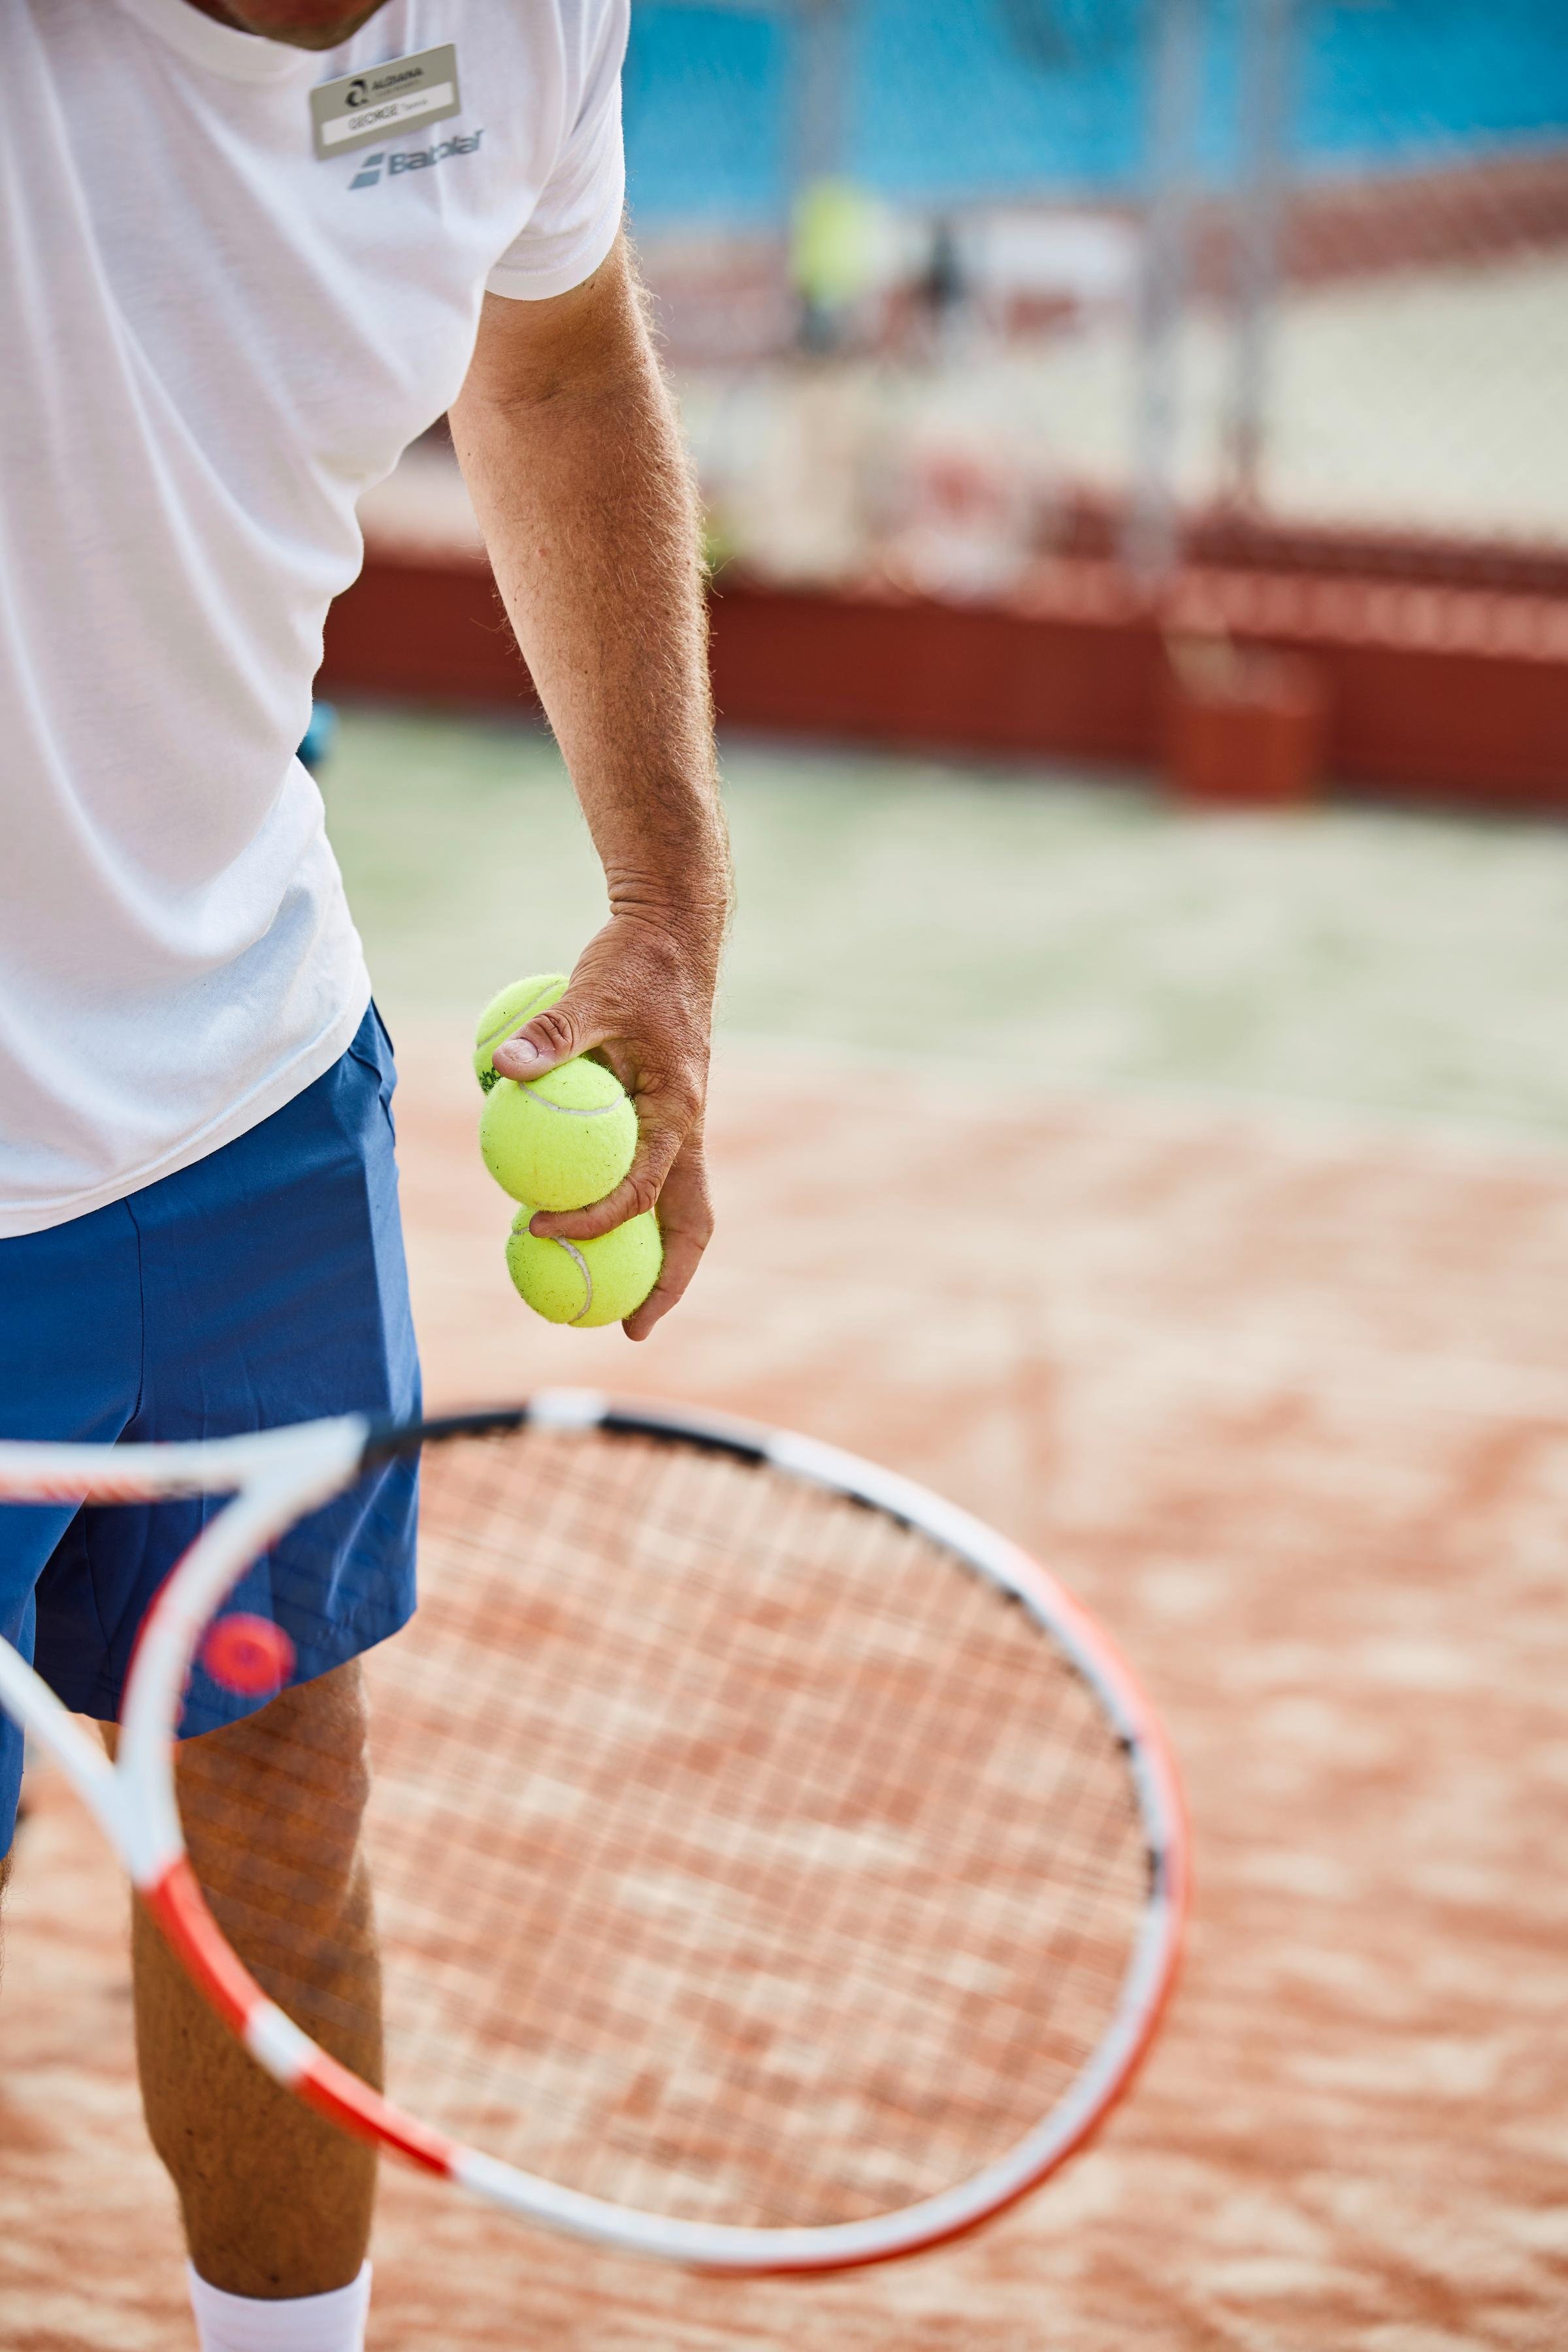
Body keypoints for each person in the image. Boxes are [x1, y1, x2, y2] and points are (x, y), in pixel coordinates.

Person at [0, 0, 729, 2345]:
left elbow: (556, 365)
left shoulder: (529, 19)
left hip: (243, 1107)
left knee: (281, 1809)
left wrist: (665, 915)